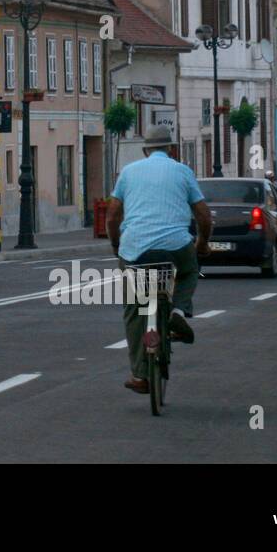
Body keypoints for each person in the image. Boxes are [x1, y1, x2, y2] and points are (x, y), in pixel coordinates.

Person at [104, 124, 213, 395]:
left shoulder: (128, 172)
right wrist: (202, 243)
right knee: (189, 271)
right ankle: (178, 312)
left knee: (134, 308)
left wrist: (116, 244)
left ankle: (140, 375)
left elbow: (112, 215)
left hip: (135, 249)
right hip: (175, 247)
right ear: (172, 149)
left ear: (145, 150)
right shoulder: (183, 171)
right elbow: (203, 214)